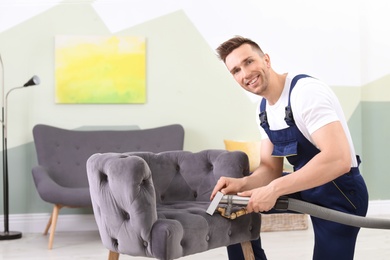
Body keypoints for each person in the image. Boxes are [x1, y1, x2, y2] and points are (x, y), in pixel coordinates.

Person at [211, 36, 369, 260]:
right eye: (236, 70)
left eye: (248, 62)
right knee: (234, 202)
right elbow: (270, 169)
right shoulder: (263, 110)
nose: (245, 74)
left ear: (266, 60)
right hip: (306, 185)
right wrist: (243, 183)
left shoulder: (306, 93)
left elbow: (338, 159)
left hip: (340, 193)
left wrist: (275, 189)